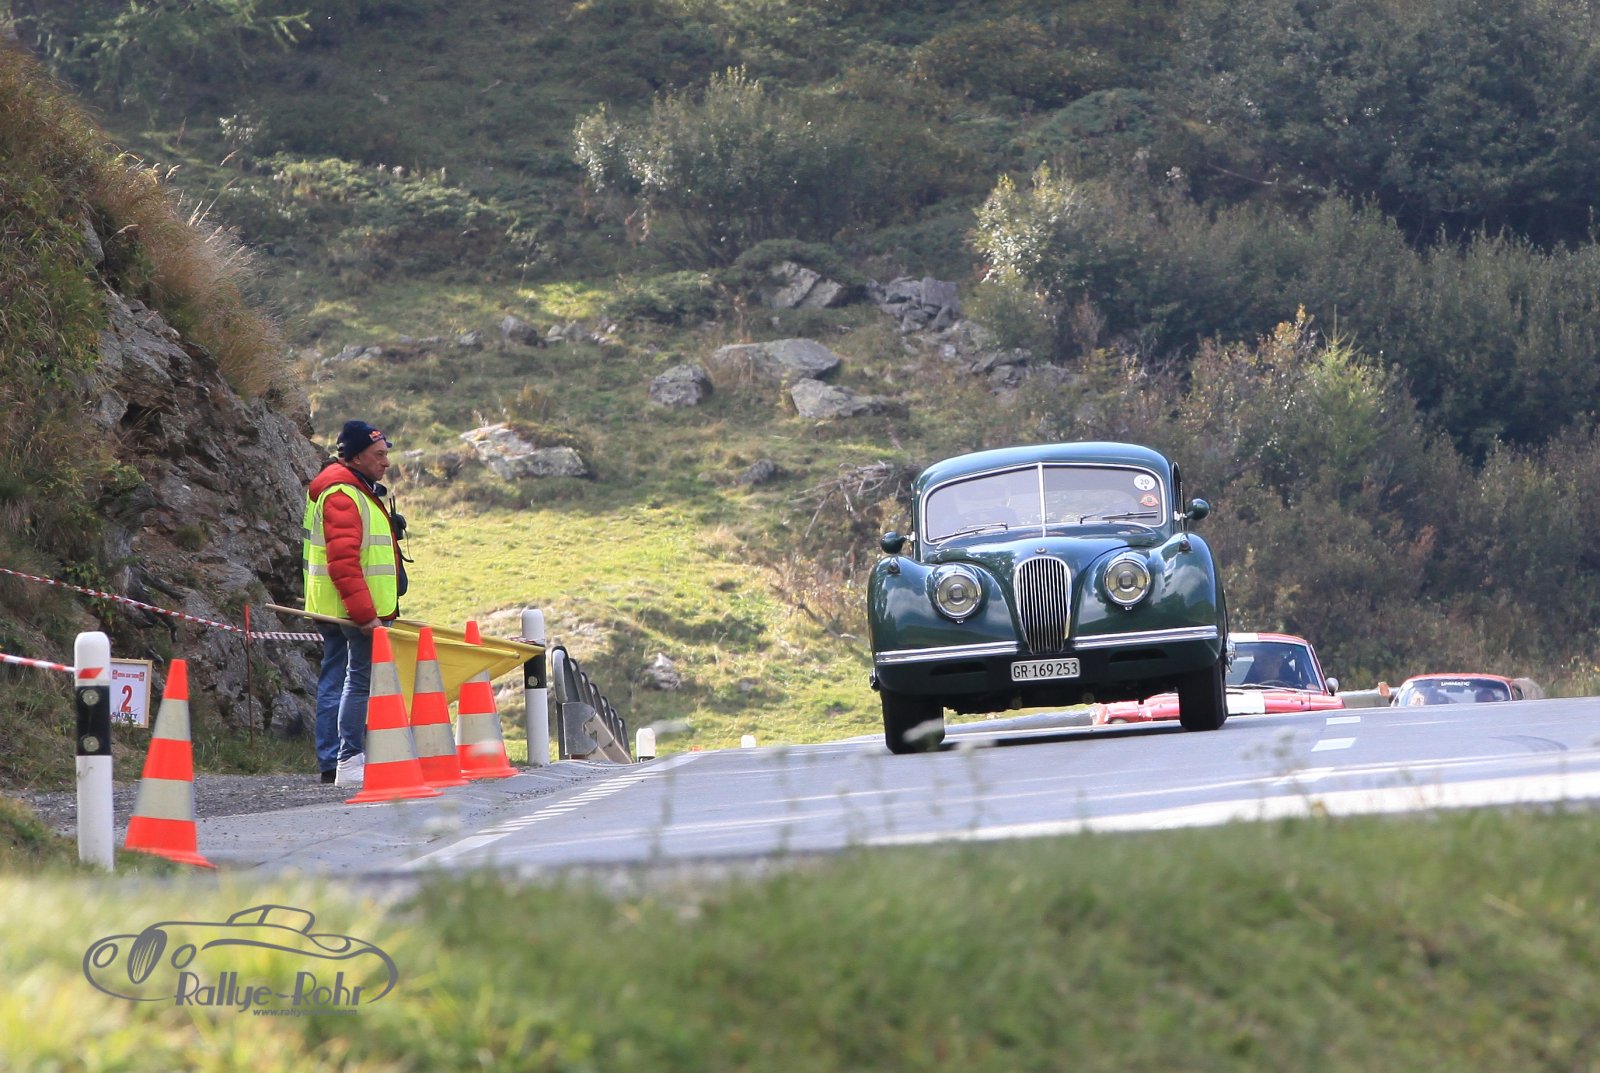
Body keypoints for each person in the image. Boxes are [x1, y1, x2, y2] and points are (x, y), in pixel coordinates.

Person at [302, 420, 406, 785]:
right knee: (356, 683)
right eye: (379, 455)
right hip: (352, 610)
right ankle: (346, 760)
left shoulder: (349, 488)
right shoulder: (344, 494)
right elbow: (344, 562)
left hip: (338, 605)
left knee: (339, 678)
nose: (386, 462)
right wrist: (365, 615)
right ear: (357, 456)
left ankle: (336, 761)